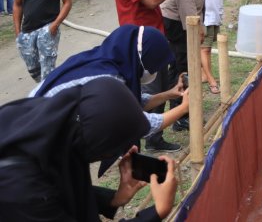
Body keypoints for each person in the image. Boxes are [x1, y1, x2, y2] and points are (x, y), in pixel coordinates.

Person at [0, 78, 178, 221]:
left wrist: (114, 199)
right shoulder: (21, 190)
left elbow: (57, 182)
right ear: (96, 144)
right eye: (113, 150)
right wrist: (158, 211)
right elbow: (41, 196)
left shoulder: (61, 123)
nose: (121, 153)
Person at [32, 25, 190, 141]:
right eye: (154, 66)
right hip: (40, 133)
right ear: (143, 58)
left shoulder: (105, 60)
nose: (154, 72)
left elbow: (132, 104)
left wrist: (169, 94)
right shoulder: (109, 80)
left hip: (43, 123)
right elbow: (137, 123)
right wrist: (183, 108)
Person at [113, 0, 187, 152]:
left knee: (163, 87)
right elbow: (150, 2)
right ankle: (147, 139)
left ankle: (155, 137)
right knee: (150, 93)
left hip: (155, 37)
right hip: (139, 44)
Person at [160, 0, 204, 132]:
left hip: (175, 19)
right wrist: (193, 26)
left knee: (177, 65)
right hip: (179, 21)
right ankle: (181, 115)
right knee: (181, 66)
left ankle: (179, 110)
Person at [195, 0, 222, 94]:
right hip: (205, 17)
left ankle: (205, 75)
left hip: (214, 16)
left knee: (208, 49)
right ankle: (211, 80)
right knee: (204, 49)